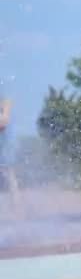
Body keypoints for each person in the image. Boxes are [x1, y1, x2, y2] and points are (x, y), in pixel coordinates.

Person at [0, 77, 20, 218]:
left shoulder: (5, 99)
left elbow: (4, 121)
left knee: (8, 173)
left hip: (4, 143)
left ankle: (17, 212)